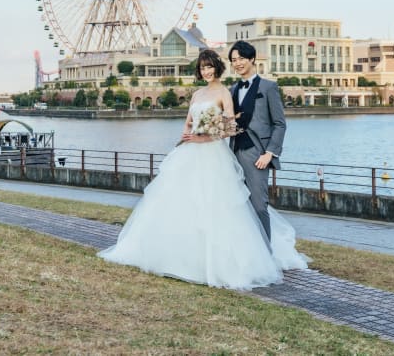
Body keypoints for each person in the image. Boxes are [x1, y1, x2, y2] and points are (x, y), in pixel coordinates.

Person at [98, 49, 306, 290]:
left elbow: (230, 127)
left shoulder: (225, 93)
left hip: (214, 154)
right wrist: (188, 135)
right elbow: (188, 121)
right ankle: (180, 255)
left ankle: (249, 256)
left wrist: (205, 136)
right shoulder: (198, 93)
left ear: (218, 68)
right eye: (202, 68)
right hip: (190, 152)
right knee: (182, 203)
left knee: (222, 205)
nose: (206, 71)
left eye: (210, 67)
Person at [227, 40, 286, 241]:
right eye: (234, 60)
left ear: (252, 59)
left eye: (241, 58)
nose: (238, 63)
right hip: (233, 153)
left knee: (259, 205)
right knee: (238, 205)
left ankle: (266, 253)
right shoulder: (232, 90)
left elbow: (279, 124)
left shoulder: (269, 87)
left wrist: (269, 153)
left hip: (258, 154)